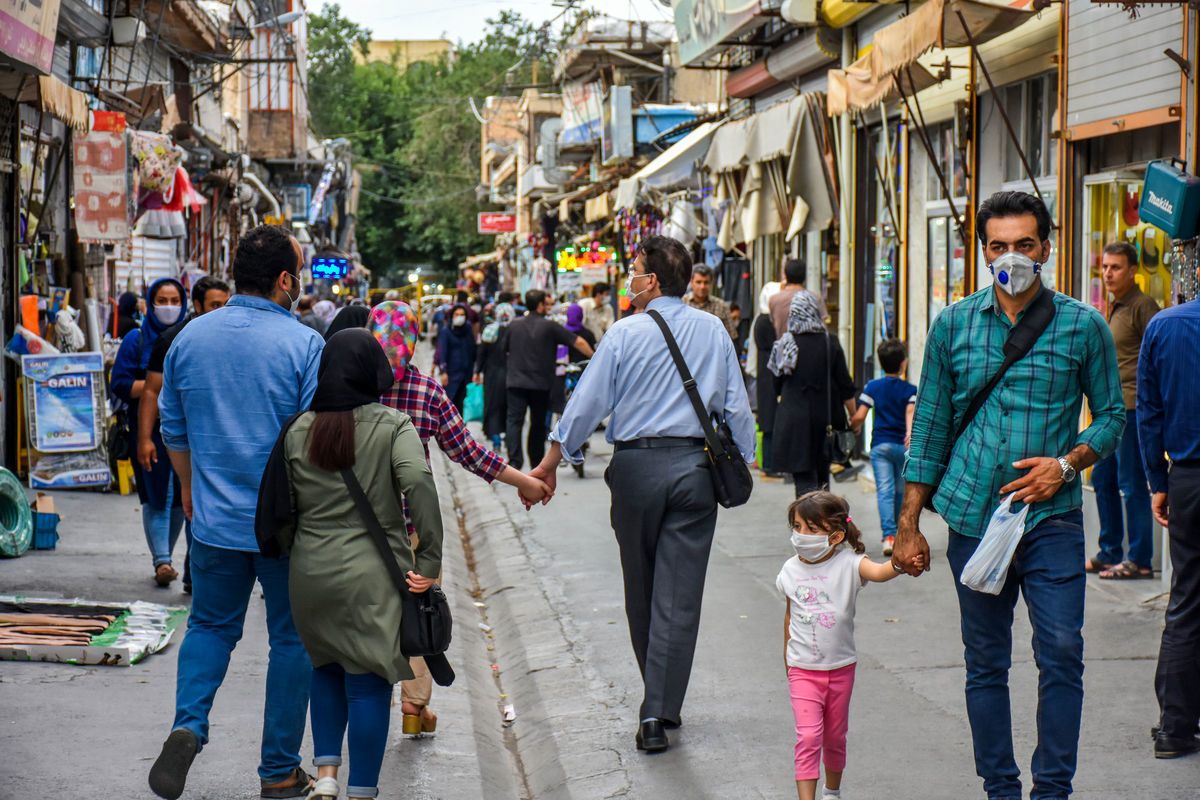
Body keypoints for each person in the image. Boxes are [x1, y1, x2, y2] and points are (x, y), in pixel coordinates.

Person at [895, 191, 1125, 800]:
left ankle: (1052, 790)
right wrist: (909, 523)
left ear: (1046, 248)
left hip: (1050, 519)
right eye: (999, 246)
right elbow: (932, 428)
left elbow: (1112, 416)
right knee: (985, 663)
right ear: (983, 251)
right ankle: (1000, 787)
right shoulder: (952, 325)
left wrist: (1067, 465)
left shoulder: (1083, 325)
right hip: (973, 518)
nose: (1012, 257)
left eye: (1025, 245)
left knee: (1062, 651)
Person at [530, 236, 756, 753]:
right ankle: (660, 705)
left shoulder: (624, 333)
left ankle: (654, 704)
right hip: (695, 470)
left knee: (641, 589)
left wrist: (548, 465)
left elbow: (586, 403)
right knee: (679, 597)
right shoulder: (713, 330)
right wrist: (741, 459)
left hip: (634, 470)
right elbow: (736, 407)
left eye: (633, 270)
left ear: (651, 281)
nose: (628, 279)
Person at [150, 225, 325, 800]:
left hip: (213, 522)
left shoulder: (191, 338)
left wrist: (189, 488)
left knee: (209, 627)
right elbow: (311, 443)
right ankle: (278, 770)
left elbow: (172, 427)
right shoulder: (304, 345)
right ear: (284, 280)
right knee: (292, 641)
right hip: (284, 525)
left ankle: (187, 725)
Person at [260, 328, 444, 800]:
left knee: (324, 669)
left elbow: (278, 506)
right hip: (374, 578)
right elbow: (419, 483)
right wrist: (428, 558)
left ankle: (324, 777)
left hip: (310, 573)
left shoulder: (298, 428)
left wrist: (295, 551)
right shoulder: (392, 424)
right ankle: (361, 790)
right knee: (368, 683)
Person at [371, 300, 550, 735]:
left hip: (360, 534)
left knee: (373, 618)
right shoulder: (427, 391)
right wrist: (523, 482)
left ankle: (369, 707)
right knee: (416, 615)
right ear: (413, 341)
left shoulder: (350, 390)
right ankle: (414, 709)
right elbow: (468, 453)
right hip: (413, 531)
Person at [778, 491, 920, 800]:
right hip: (803, 670)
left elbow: (881, 572)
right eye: (797, 526)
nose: (801, 535)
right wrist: (788, 662)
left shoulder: (849, 564)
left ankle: (832, 791)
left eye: (812, 529)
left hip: (840, 669)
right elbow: (789, 617)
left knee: (834, 737)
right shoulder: (789, 571)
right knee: (808, 736)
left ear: (836, 535)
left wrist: (901, 563)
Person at [1136, 265, 1200, 759]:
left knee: (1187, 601)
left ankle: (1175, 729)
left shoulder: (1165, 325)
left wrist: (1158, 482)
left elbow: (1148, 411)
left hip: (1189, 478)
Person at [137, 275, 232, 592]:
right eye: (214, 306)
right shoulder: (175, 339)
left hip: (217, 440)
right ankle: (169, 562)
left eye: (225, 305)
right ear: (196, 306)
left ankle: (194, 571)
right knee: (174, 502)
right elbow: (152, 391)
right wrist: (145, 438)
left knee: (200, 506)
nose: (221, 311)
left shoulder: (233, 339)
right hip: (176, 440)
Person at [1087, 241, 1159, 579]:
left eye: (1116, 267)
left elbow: (1158, 357)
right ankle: (1109, 551)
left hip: (1132, 409)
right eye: (1105, 267)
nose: (1108, 273)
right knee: (1102, 479)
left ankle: (1140, 559)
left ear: (1133, 270)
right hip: (1109, 412)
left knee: (1132, 483)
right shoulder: (1113, 306)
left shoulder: (1143, 306)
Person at [111, 277, 189, 587]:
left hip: (182, 431)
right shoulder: (136, 340)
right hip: (148, 430)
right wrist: (156, 387)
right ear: (150, 303)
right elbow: (119, 383)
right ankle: (162, 560)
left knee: (179, 498)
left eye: (174, 301)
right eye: (162, 300)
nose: (169, 307)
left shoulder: (187, 337)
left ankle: (165, 558)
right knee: (156, 495)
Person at [768, 292, 857, 498]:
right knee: (823, 476)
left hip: (793, 420)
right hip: (824, 419)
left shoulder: (785, 344)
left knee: (803, 480)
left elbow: (776, 385)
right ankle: (822, 523)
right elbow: (845, 384)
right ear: (816, 312)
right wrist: (854, 416)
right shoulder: (830, 342)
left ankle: (807, 524)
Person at [503, 289, 593, 470]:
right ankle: (536, 463)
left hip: (515, 382)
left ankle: (515, 460)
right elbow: (579, 342)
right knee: (537, 424)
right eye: (546, 304)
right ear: (540, 305)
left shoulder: (513, 325)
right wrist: (595, 357)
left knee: (514, 421)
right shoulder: (549, 326)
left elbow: (505, 349)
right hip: (540, 384)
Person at [848, 338, 916, 555]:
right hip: (902, 447)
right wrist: (909, 434)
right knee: (899, 491)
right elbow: (910, 412)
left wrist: (854, 426)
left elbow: (860, 416)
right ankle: (899, 534)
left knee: (885, 491)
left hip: (880, 447)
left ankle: (889, 536)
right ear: (903, 364)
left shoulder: (872, 387)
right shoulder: (910, 389)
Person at [751, 282, 783, 478]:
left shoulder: (763, 320)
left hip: (767, 375)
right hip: (769, 376)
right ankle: (769, 464)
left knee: (770, 420)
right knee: (770, 422)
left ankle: (771, 464)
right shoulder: (765, 321)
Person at [475, 302, 515, 451]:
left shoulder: (489, 331)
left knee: (492, 406)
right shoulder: (515, 330)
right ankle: (508, 439)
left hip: (492, 375)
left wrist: (476, 372)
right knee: (509, 408)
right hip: (511, 374)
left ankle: (496, 439)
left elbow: (482, 354)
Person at [434, 303, 477, 413]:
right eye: (456, 314)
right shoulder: (446, 331)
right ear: (452, 316)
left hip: (466, 374)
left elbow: (473, 350)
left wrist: (475, 371)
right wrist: (443, 371)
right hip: (451, 375)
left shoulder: (468, 329)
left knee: (464, 404)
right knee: (450, 405)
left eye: (462, 314)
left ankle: (462, 428)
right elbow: (442, 351)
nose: (459, 317)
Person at [771, 258, 828, 336]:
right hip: (810, 347)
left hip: (783, 346)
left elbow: (773, 327)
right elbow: (824, 328)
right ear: (805, 276)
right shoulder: (815, 298)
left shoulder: (774, 300)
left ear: (785, 276)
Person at [684, 263, 737, 338]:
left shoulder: (721, 306)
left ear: (711, 283)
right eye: (698, 282)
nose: (702, 287)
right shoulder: (682, 303)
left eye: (706, 282)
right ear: (691, 282)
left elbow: (731, 337)